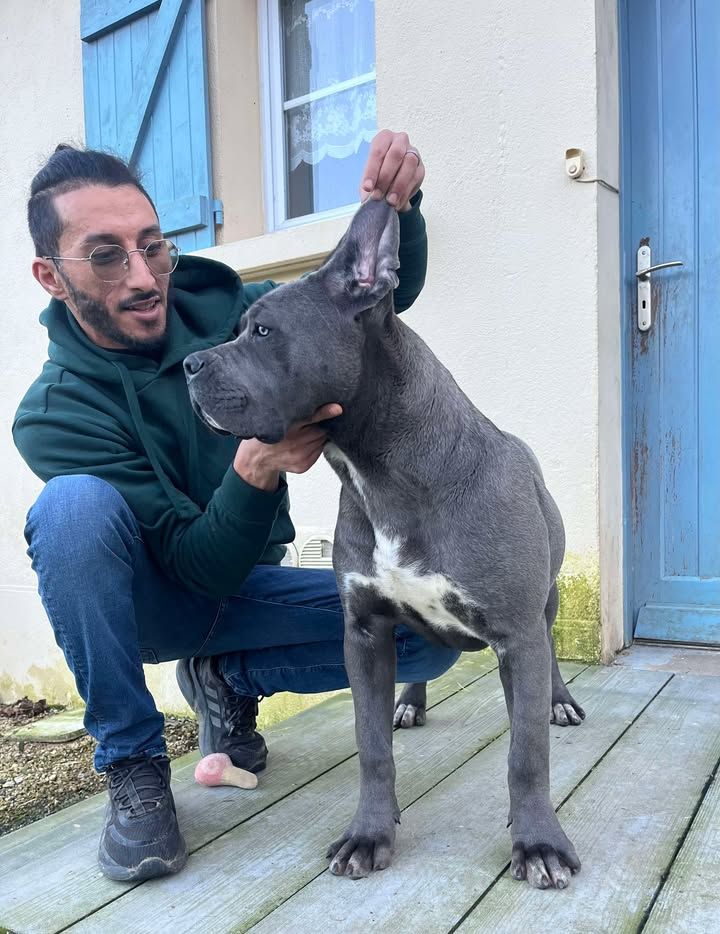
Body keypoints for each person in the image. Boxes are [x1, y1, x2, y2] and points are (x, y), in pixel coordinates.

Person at [12, 131, 461, 882]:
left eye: (152, 245)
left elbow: (370, 299)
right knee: (70, 510)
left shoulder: (225, 311)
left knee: (430, 637)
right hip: (157, 603)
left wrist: (396, 209)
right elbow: (192, 562)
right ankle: (133, 768)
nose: (144, 276)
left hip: (248, 584)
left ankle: (227, 680)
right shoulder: (56, 412)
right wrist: (254, 472)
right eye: (106, 254)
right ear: (51, 276)